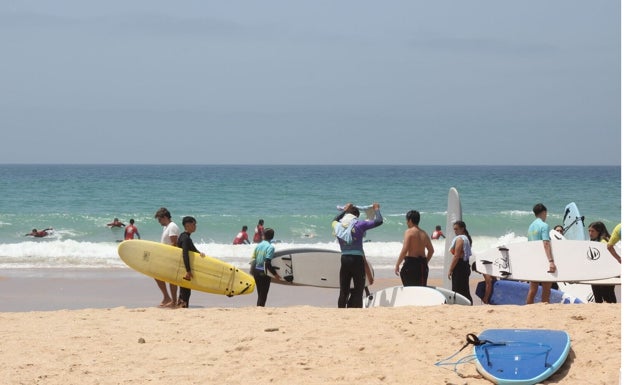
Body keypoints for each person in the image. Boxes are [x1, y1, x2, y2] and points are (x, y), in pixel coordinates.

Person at [333, 202, 383, 308]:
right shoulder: (359, 224)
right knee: (359, 290)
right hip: (357, 260)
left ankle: (340, 311)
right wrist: (376, 209)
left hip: (345, 259)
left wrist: (344, 210)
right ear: (356, 216)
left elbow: (334, 220)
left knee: (344, 290)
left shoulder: (338, 226)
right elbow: (379, 221)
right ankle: (355, 310)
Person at [526, 203, 557, 304]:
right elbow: (546, 243)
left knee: (532, 289)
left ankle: (528, 309)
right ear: (544, 212)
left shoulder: (530, 227)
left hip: (533, 260)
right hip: (544, 261)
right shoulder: (544, 225)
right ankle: (544, 310)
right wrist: (551, 261)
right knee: (546, 290)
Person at [394, 210, 434, 287]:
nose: (406, 222)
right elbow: (431, 251)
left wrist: (397, 264)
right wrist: (425, 262)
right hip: (422, 266)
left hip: (411, 265)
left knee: (410, 290)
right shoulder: (424, 233)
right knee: (421, 291)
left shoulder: (409, 232)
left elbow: (404, 250)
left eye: (407, 220)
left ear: (410, 220)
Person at [154, 207, 180, 307]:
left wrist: (168, 258)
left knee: (172, 280)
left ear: (165, 217)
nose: (159, 222)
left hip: (171, 257)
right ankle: (167, 298)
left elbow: (174, 243)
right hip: (165, 257)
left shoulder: (172, 227)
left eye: (159, 219)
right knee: (157, 275)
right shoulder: (166, 227)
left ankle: (173, 300)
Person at [176, 216, 204, 308]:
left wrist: (200, 253)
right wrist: (188, 270)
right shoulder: (185, 238)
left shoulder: (184, 236)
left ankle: (181, 305)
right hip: (184, 269)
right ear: (187, 225)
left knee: (184, 290)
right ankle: (183, 306)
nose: (195, 226)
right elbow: (185, 254)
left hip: (182, 268)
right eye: (193, 224)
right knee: (186, 291)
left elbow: (192, 251)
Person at [588, 221, 617, 303]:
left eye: (592, 231)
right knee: (608, 295)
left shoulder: (603, 242)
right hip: (601, 272)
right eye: (589, 231)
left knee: (605, 296)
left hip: (604, 273)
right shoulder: (599, 240)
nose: (590, 233)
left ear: (599, 231)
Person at [250, 228, 280, 306]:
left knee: (260, 293)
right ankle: (260, 309)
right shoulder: (270, 247)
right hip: (263, 272)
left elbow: (253, 259)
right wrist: (275, 274)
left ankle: (259, 307)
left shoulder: (258, 246)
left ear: (263, 236)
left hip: (255, 271)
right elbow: (267, 262)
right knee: (263, 294)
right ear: (272, 237)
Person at [447, 220, 473, 304]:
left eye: (456, 229)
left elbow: (456, 256)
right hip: (465, 265)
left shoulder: (460, 239)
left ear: (462, 229)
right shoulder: (467, 238)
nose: (455, 231)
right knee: (464, 288)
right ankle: (469, 304)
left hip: (460, 266)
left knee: (457, 289)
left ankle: (461, 304)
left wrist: (450, 269)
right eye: (454, 229)